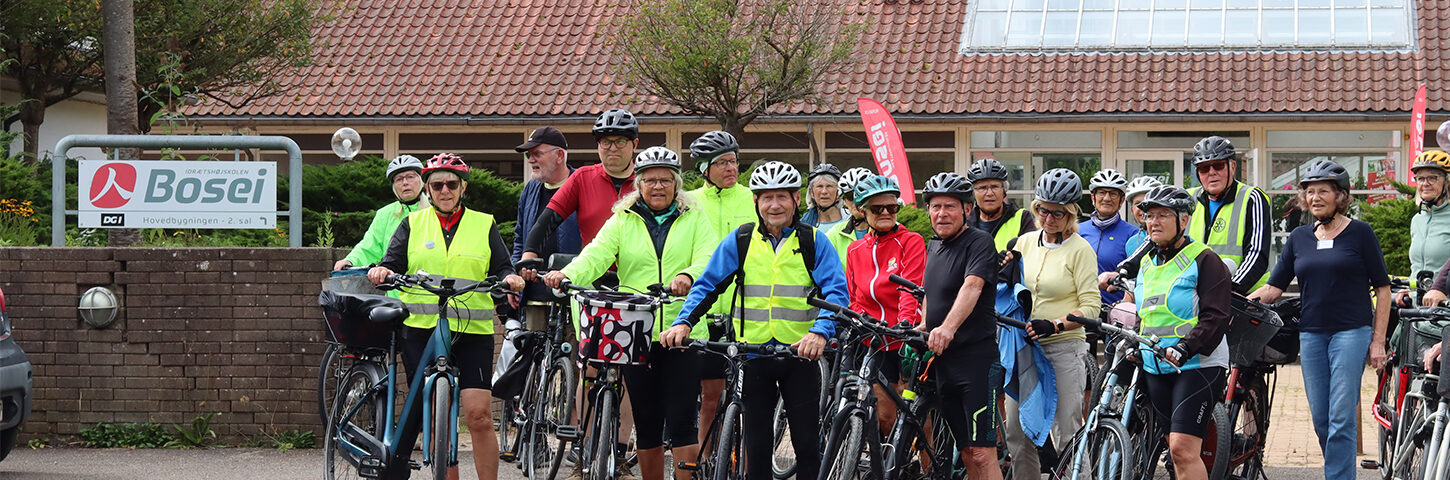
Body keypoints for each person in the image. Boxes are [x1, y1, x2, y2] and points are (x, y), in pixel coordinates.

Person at [661, 161, 849, 480]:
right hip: (753, 354)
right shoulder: (742, 240)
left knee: (805, 444)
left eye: (782, 197)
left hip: (800, 355)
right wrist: (683, 322)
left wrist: (820, 332)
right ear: (756, 202)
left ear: (796, 198)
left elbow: (836, 292)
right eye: (766, 197)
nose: (774, 205)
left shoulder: (813, 241)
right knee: (756, 443)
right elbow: (708, 285)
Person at [542, 147, 715, 480]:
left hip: (684, 329)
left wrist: (687, 277)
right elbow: (597, 253)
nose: (658, 186)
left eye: (665, 179)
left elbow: (709, 257)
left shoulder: (695, 217)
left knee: (681, 421)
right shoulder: (624, 217)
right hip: (636, 331)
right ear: (639, 183)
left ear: (677, 184)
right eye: (650, 180)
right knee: (646, 420)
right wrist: (569, 275)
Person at [366, 153, 526, 480]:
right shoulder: (412, 223)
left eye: (451, 183)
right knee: (439, 414)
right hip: (422, 331)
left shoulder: (484, 223)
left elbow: (502, 266)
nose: (444, 190)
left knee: (479, 414)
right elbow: (392, 261)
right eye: (436, 184)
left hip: (471, 331)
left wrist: (511, 277)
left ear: (463, 187)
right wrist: (383, 269)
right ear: (428, 188)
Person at [1250, 159, 1391, 480]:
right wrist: (1238, 302)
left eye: (1323, 191)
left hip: (1351, 333)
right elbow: (1274, 288)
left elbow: (1383, 289)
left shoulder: (1360, 233)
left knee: (1341, 416)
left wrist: (1378, 340)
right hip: (1311, 335)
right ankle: (1338, 472)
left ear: (1340, 196)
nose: (1315, 197)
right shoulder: (1299, 237)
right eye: (1310, 192)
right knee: (1321, 419)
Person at [1001, 168, 1100, 480]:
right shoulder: (1025, 242)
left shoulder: (1080, 249)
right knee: (1017, 430)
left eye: (1057, 213)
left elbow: (1092, 306)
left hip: (1063, 348)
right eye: (1042, 210)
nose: (1048, 219)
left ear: (1071, 214)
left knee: (1067, 430)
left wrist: (1055, 325)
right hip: (1025, 349)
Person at [1130, 184, 1233, 480]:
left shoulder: (1205, 259)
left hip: (1197, 364)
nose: (1154, 222)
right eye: (1149, 216)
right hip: (1156, 365)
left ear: (1184, 220)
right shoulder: (1147, 263)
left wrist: (1186, 347)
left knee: (1183, 449)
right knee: (1173, 450)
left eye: (1163, 215)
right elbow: (1147, 314)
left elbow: (1216, 317)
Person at [917, 171, 1003, 480]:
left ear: (967, 209)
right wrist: (926, 324)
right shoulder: (934, 246)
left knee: (983, 452)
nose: (942, 214)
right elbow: (930, 292)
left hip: (976, 361)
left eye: (950, 206)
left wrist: (948, 328)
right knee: (965, 450)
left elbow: (972, 286)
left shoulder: (979, 242)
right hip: (944, 363)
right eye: (936, 206)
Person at [681, 130, 756, 446]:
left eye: (734, 161)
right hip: (705, 311)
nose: (731, 168)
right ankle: (704, 458)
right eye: (722, 162)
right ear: (703, 169)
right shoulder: (689, 202)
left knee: (750, 398)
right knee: (709, 395)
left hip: (745, 309)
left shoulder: (751, 198)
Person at [844, 174, 925, 435]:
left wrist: (904, 322)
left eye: (892, 207)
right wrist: (859, 319)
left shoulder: (910, 241)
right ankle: (895, 467)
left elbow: (909, 287)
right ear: (861, 211)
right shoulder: (855, 250)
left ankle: (927, 469)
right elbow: (854, 296)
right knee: (884, 417)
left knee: (919, 420)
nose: (886, 213)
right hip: (873, 340)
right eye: (877, 209)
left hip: (904, 338)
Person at [519, 108, 640, 263]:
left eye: (620, 141)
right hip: (593, 277)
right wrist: (529, 254)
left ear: (634, 144)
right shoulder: (582, 178)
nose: (613, 148)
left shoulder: (647, 181)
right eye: (605, 142)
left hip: (637, 278)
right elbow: (547, 221)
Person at [512, 126, 582, 326]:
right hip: (535, 295)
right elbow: (520, 238)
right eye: (529, 155)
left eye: (537, 154)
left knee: (574, 355)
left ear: (560, 155)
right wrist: (515, 274)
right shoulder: (530, 189)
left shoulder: (582, 185)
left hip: (574, 293)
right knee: (533, 354)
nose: (531, 160)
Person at [333, 155, 429, 272]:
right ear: (394, 186)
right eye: (399, 179)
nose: (405, 183)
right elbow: (370, 245)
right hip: (394, 287)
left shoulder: (434, 211)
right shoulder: (385, 214)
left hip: (428, 286)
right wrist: (351, 261)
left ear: (421, 180)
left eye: (410, 177)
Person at [1079, 169, 1136, 305]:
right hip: (1080, 310)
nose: (1107, 198)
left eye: (1113, 194)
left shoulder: (1132, 234)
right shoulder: (1078, 231)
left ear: (1122, 200)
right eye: (1102, 192)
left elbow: (1137, 278)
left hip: (1114, 313)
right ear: (1093, 198)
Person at [1401, 150, 1450, 307]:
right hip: (1418, 309)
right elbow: (1417, 266)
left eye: (1432, 178)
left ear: (1447, 182)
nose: (1425, 183)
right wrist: (1408, 288)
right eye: (1420, 178)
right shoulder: (1417, 220)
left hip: (1445, 307)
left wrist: (1441, 289)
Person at [966, 158, 1037, 252]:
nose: (989, 193)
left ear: (1004, 190)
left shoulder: (1022, 218)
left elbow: (1032, 254)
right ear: (973, 193)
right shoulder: (964, 221)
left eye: (995, 187)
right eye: (982, 188)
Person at [825, 166, 876, 262]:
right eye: (850, 197)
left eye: (863, 195)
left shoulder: (892, 228)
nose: (857, 202)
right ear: (844, 201)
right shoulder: (835, 234)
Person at [1122, 176, 1163, 258]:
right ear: (1132, 210)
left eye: (1147, 202)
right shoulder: (1131, 243)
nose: (1143, 207)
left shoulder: (1169, 238)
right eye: (1137, 203)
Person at [802, 163, 848, 230]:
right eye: (819, 186)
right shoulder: (804, 224)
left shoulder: (851, 219)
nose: (824, 192)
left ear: (838, 192)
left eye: (829, 186)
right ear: (811, 192)